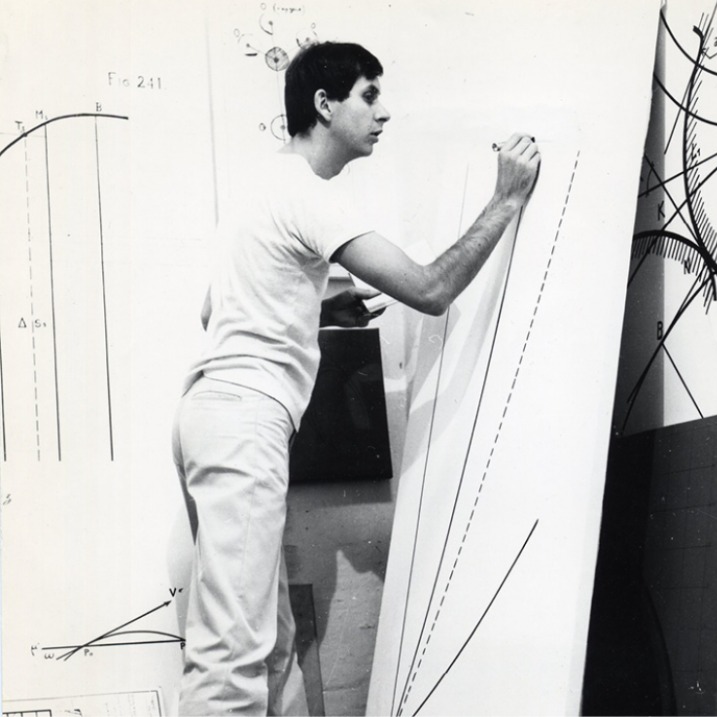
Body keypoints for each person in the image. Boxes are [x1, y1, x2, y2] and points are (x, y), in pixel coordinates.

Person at [171, 40, 540, 716]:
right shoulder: (309, 195)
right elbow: (429, 289)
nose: (383, 112)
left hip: (211, 418)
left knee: (271, 646)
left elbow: (213, 310)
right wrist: (506, 199)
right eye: (369, 95)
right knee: (232, 661)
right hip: (244, 425)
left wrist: (315, 307)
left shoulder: (262, 186)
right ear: (324, 104)